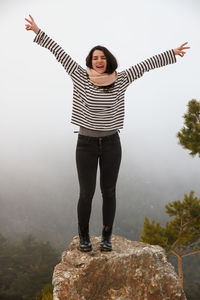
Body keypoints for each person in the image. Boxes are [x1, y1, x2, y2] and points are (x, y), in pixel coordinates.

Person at [25, 14, 190, 252]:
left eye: (103, 57)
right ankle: (83, 236)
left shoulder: (120, 79)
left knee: (109, 192)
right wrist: (38, 32)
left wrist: (172, 53)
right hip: (86, 144)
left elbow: (145, 65)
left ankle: (106, 237)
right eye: (95, 57)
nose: (99, 60)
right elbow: (59, 53)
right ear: (90, 61)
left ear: (108, 60)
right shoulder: (80, 77)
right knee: (86, 193)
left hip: (112, 142)